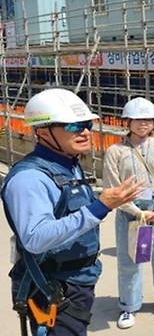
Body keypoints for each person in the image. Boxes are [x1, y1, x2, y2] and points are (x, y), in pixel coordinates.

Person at [1, 89, 143, 336]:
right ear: (43, 132)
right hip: (51, 287)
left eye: (86, 124)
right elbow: (35, 238)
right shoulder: (30, 178)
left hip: (77, 281)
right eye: (73, 127)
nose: (85, 132)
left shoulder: (69, 164)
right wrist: (99, 207)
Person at [102, 97, 154, 329]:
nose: (143, 124)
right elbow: (112, 187)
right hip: (131, 211)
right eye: (137, 120)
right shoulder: (115, 151)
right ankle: (129, 305)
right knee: (130, 260)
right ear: (127, 122)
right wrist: (137, 212)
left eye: (147, 119)